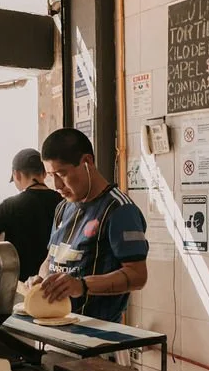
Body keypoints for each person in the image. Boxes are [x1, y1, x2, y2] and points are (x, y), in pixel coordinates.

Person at [27, 129, 148, 323]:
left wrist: (82, 285)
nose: (57, 185)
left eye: (62, 173)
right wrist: (42, 281)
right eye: (51, 176)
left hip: (98, 334)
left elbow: (138, 275)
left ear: (87, 162)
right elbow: (51, 259)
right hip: (57, 325)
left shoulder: (120, 210)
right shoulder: (62, 208)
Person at [0, 148, 61, 282]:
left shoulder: (10, 205)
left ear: (16, 175)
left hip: (19, 286)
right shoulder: (63, 203)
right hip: (54, 284)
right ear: (45, 173)